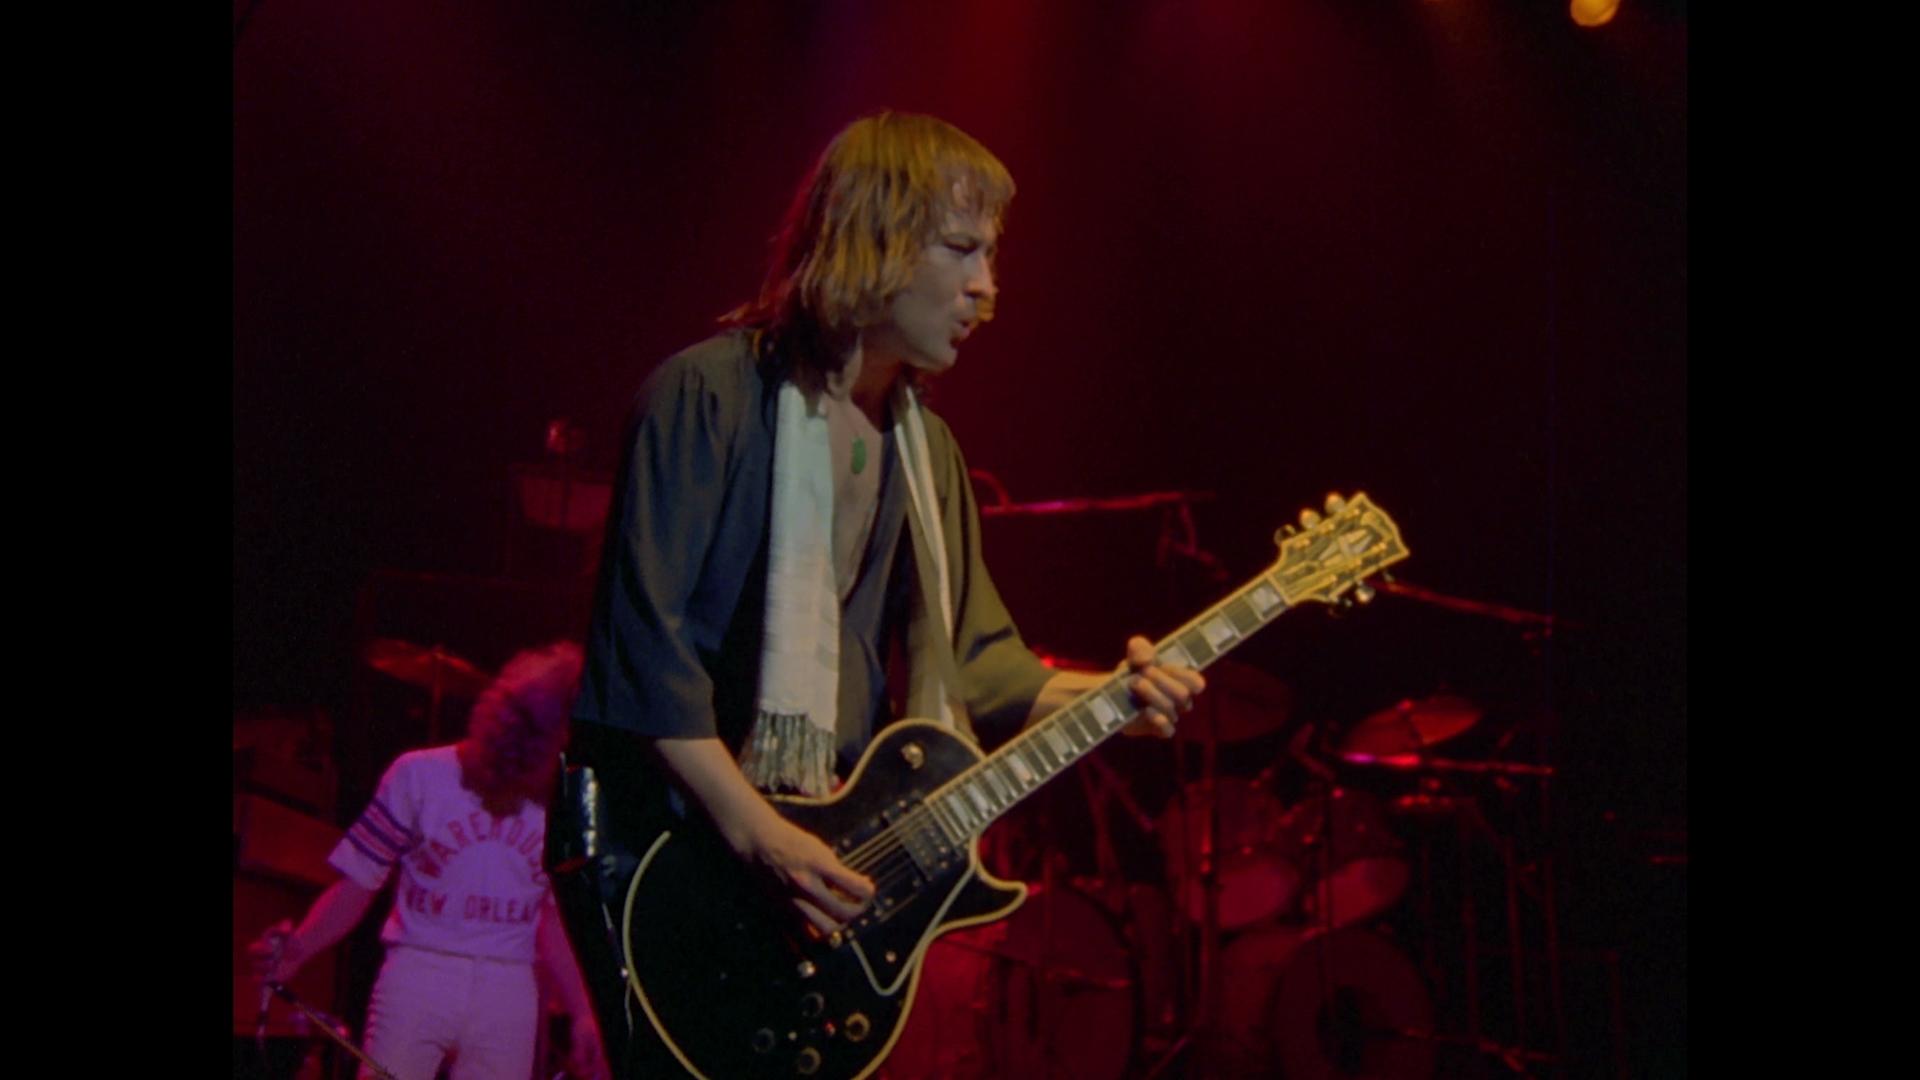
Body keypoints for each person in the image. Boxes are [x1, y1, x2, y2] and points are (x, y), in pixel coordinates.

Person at [551, 111, 1205, 1076]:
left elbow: (983, 667)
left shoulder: (927, 451)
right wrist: (763, 836)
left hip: (808, 860)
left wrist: (1122, 697)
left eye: (993, 254)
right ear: (876, 240)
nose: (989, 285)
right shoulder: (705, 397)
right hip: (674, 851)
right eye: (962, 249)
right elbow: (645, 655)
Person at [250, 641, 608, 1080]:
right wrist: (299, 949)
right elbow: (359, 882)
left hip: (507, 987)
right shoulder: (419, 776)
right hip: (418, 972)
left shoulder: (568, 800)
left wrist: (582, 1011)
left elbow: (551, 919)